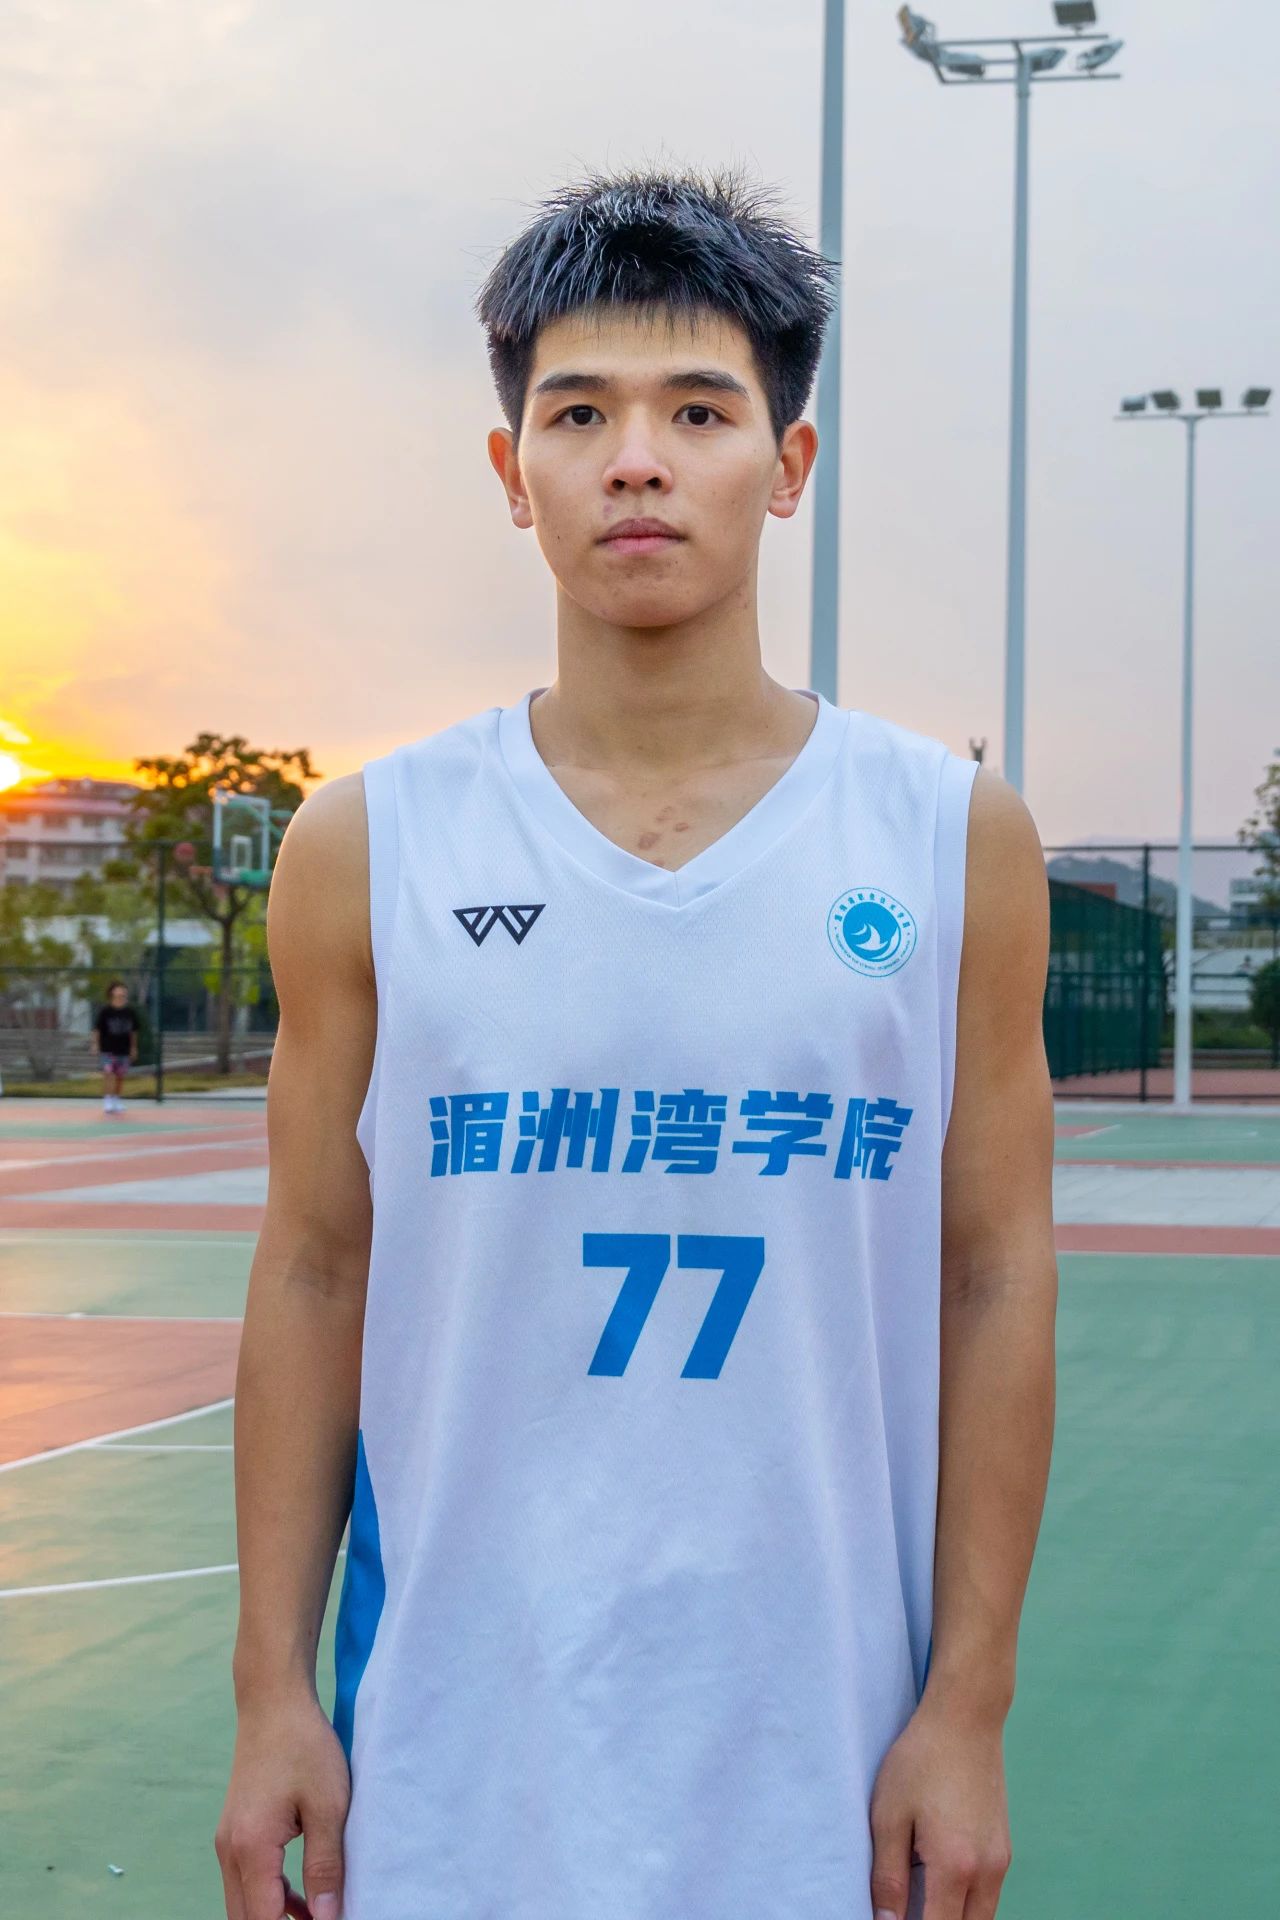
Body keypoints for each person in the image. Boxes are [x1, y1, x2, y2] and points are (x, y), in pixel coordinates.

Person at [216, 170, 1057, 1920]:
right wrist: (271, 1691)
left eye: (700, 412)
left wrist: (969, 1709)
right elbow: (311, 1266)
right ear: (511, 469)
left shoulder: (945, 836)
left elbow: (992, 1271)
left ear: (790, 463)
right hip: (449, 1748)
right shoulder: (369, 842)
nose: (638, 462)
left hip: (830, 1749)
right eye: (580, 413)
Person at [91, 979, 138, 1115]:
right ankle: (108, 1100)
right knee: (109, 1074)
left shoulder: (130, 1011)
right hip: (108, 1049)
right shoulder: (105, 1011)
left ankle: (117, 1100)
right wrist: (95, 1044)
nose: (121, 992)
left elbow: (134, 1031)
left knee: (120, 1077)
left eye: (123, 990)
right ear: (112, 992)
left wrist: (134, 1048)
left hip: (123, 1049)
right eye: (118, 989)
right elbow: (97, 1029)